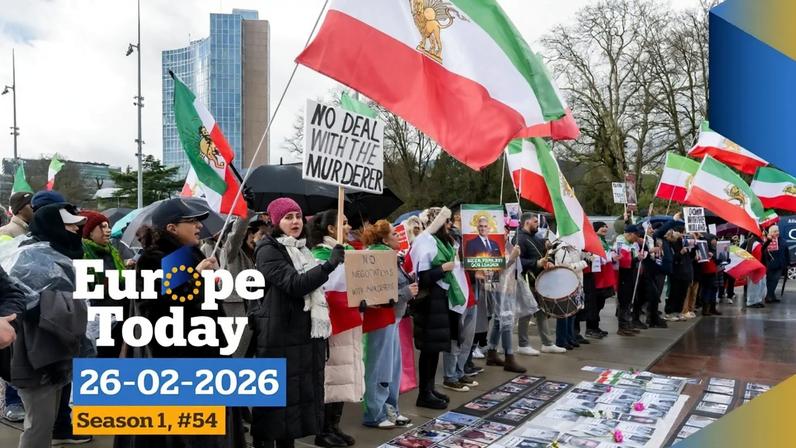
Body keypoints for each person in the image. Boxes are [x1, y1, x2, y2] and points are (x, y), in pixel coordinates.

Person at [115, 198, 245, 448]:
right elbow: (157, 313)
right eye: (191, 221)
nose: (198, 226)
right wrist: (197, 278)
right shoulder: (154, 260)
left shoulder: (190, 254)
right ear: (171, 228)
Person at [251, 198, 344, 448]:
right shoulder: (267, 249)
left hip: (301, 336)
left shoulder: (302, 248)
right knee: (276, 406)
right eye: (288, 217)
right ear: (275, 221)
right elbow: (294, 284)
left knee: (292, 406)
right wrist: (330, 265)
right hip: (279, 336)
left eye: (298, 216)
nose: (295, 222)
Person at [5, 203, 91, 447]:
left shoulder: (60, 252)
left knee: (47, 419)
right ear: (53, 224)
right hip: (35, 354)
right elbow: (26, 304)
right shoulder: (32, 257)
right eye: (70, 224)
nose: (76, 229)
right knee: (39, 425)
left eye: (78, 224)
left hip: (56, 351)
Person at [308, 210, 362, 447]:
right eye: (344, 223)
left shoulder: (350, 252)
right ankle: (322, 430)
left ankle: (334, 425)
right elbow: (321, 287)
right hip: (333, 321)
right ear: (331, 229)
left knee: (343, 375)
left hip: (349, 317)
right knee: (331, 376)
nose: (349, 226)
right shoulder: (319, 254)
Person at [360, 220, 416, 429]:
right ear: (384, 239)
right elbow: (380, 293)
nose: (399, 236)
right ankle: (375, 412)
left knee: (392, 366)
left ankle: (389, 408)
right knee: (379, 367)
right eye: (394, 234)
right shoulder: (379, 257)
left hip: (391, 317)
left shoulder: (390, 256)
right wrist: (407, 292)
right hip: (380, 317)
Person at [409, 207, 456, 410]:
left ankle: (430, 388)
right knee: (428, 349)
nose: (449, 225)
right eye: (446, 221)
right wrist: (442, 269)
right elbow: (422, 277)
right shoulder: (424, 242)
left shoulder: (440, 242)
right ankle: (424, 394)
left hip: (439, 301)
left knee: (435, 348)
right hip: (428, 303)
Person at [515, 213, 565, 354]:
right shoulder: (519, 239)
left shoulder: (534, 237)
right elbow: (517, 261)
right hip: (526, 280)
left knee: (542, 311)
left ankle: (547, 343)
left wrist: (548, 262)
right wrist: (536, 263)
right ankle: (523, 345)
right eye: (535, 221)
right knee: (526, 312)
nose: (538, 224)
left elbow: (543, 256)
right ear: (526, 223)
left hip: (538, 280)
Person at [79, 210, 126, 359]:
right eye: (102, 227)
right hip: (98, 319)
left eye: (108, 226)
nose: (108, 230)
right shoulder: (82, 254)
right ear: (89, 232)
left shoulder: (112, 251)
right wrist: (105, 286)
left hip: (118, 315)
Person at [484, 223, 526, 373]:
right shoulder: (491, 247)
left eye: (507, 233)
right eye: (502, 233)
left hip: (508, 288)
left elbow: (516, 271)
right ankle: (509, 356)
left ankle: (492, 352)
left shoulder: (509, 246)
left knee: (498, 321)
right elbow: (493, 270)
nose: (505, 235)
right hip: (497, 290)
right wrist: (511, 259)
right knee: (506, 322)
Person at [550, 240, 590, 350]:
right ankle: (561, 340)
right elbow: (566, 266)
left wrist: (587, 256)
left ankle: (569, 337)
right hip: (565, 284)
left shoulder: (574, 248)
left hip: (575, 284)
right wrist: (584, 263)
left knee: (572, 313)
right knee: (564, 314)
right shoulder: (562, 249)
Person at [583, 221, 617, 339]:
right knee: (594, 303)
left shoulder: (603, 240)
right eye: (602, 227)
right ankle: (590, 328)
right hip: (597, 276)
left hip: (604, 275)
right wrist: (608, 257)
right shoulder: (594, 240)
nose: (605, 228)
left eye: (605, 226)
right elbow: (595, 256)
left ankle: (595, 326)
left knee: (600, 303)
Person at [615, 225, 644, 336]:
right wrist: (636, 258)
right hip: (623, 276)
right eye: (636, 236)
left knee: (628, 301)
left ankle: (627, 323)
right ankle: (622, 326)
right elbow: (624, 262)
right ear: (631, 234)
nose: (637, 238)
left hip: (630, 275)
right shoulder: (621, 243)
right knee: (624, 300)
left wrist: (637, 258)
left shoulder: (631, 244)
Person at [763, 225, 791, 303]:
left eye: (777, 231)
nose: (777, 233)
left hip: (780, 264)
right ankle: (769, 296)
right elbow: (763, 251)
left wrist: (788, 263)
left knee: (775, 281)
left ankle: (770, 296)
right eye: (775, 231)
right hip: (770, 264)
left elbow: (786, 252)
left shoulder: (782, 240)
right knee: (770, 281)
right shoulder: (766, 240)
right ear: (770, 232)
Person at [745, 234, 767, 308]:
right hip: (755, 266)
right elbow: (750, 253)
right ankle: (751, 301)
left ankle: (757, 300)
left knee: (760, 285)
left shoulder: (759, 241)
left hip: (761, 266)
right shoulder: (752, 241)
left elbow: (763, 250)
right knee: (754, 285)